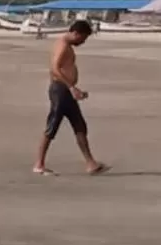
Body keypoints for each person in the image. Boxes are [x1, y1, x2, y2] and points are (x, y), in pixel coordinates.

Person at [33, 20, 108, 176]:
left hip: (66, 91)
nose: (83, 42)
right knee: (52, 126)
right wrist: (71, 87)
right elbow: (55, 68)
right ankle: (39, 165)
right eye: (83, 38)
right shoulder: (62, 45)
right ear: (75, 33)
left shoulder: (65, 45)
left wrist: (74, 89)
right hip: (60, 91)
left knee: (80, 125)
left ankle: (91, 163)